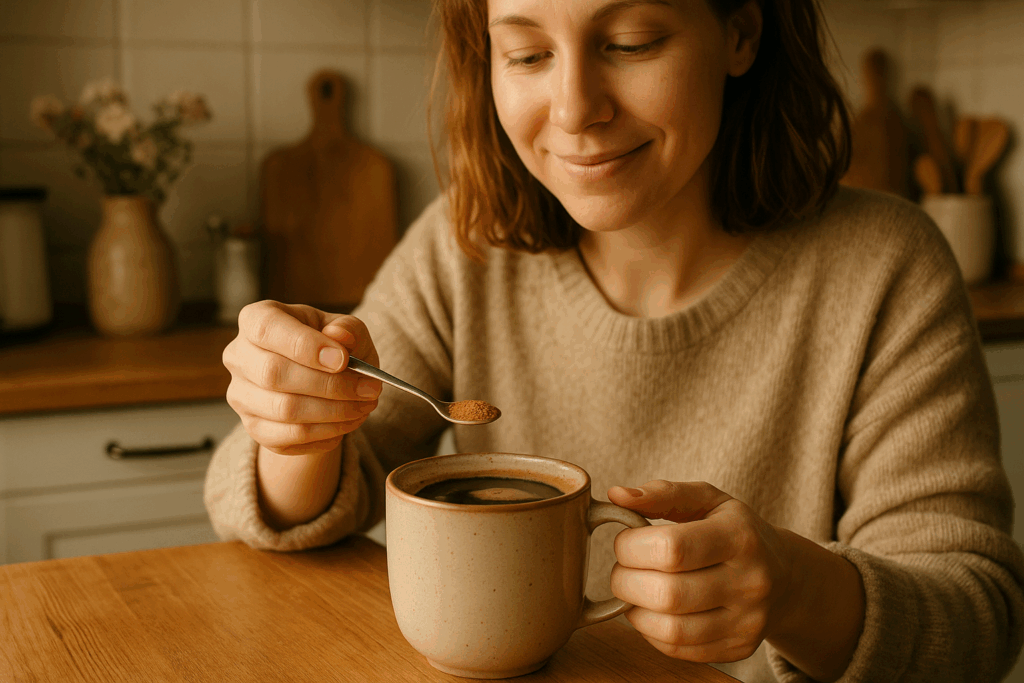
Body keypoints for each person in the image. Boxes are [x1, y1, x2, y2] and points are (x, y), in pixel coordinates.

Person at [203, 0, 1024, 680]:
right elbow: (290, 498)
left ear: (741, 31)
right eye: (526, 55)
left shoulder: (886, 268)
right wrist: (297, 428)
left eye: (630, 43)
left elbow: (978, 617)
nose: (574, 111)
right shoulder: (465, 247)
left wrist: (797, 590)